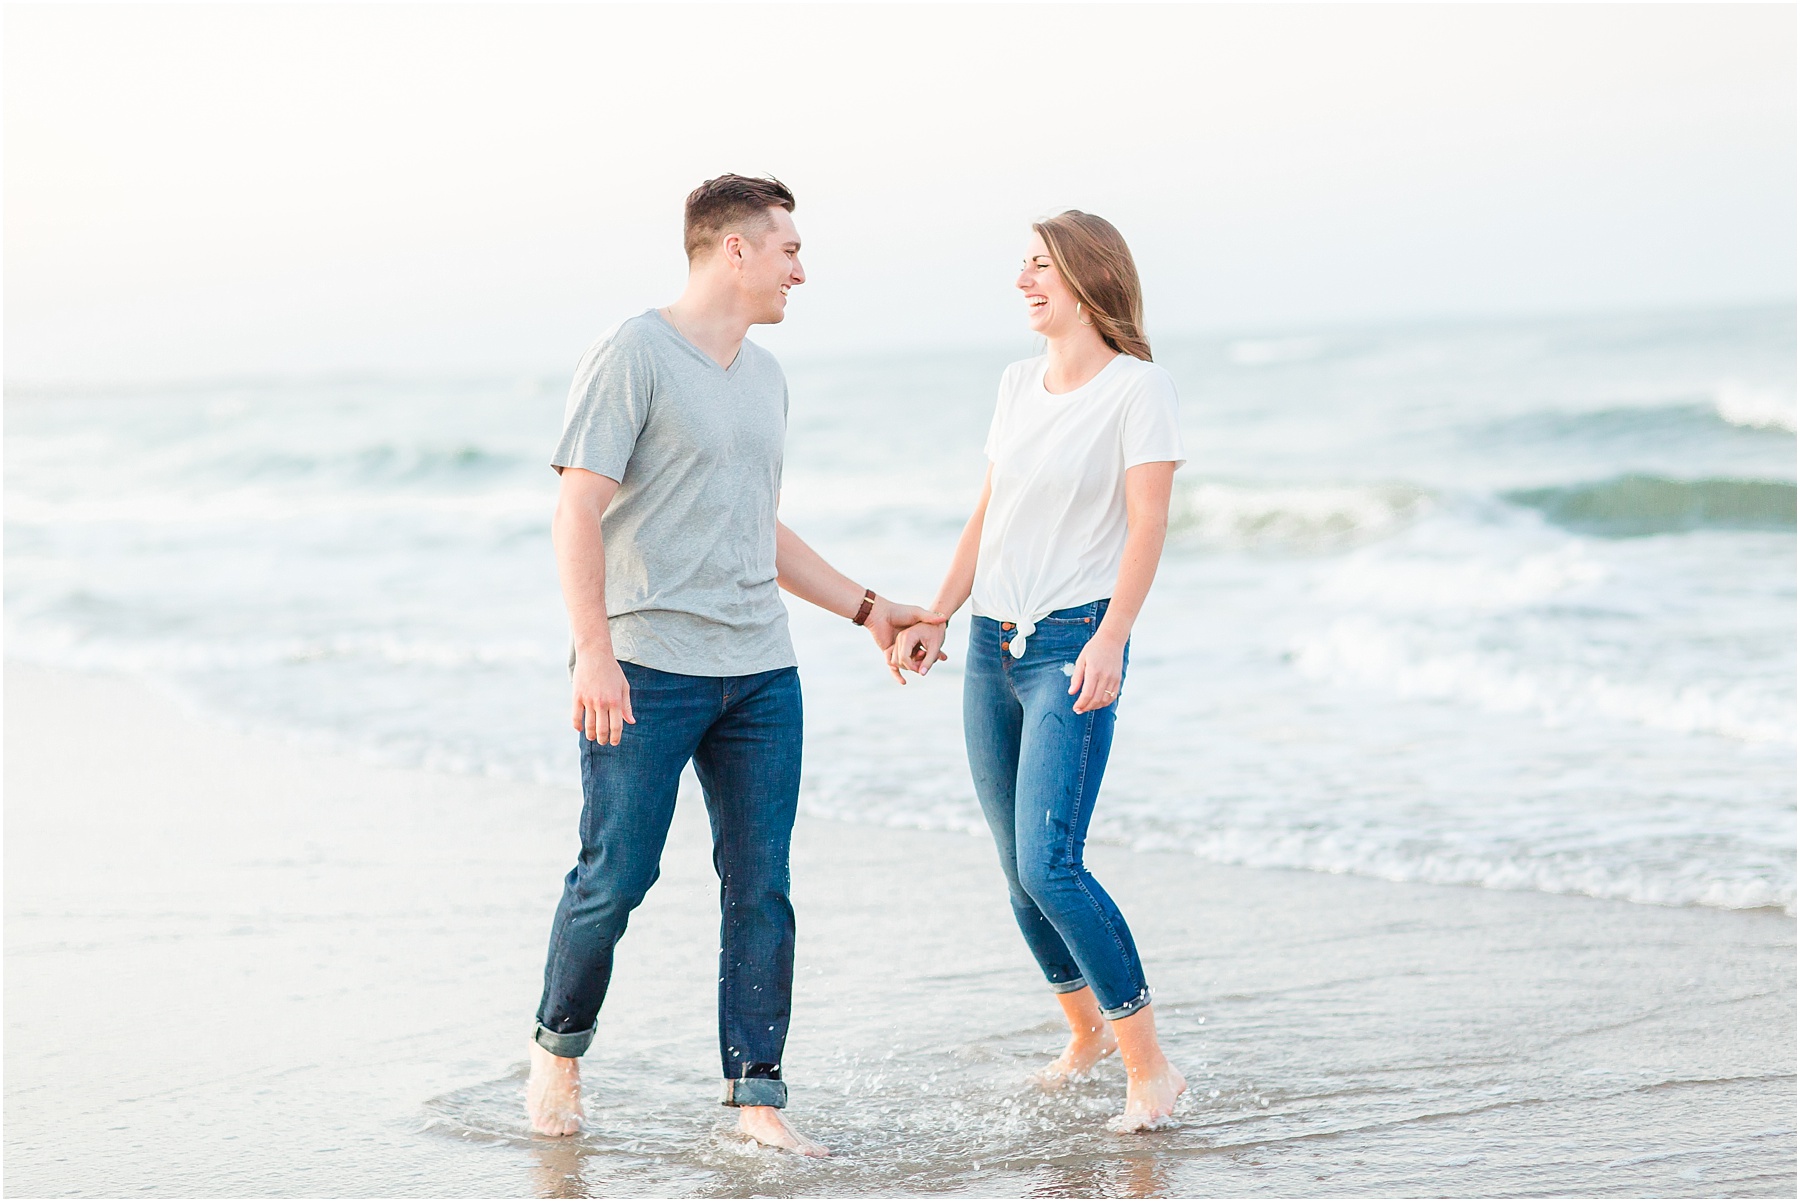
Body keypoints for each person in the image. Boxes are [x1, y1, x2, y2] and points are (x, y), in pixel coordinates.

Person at [526, 174, 944, 1154]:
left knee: (760, 880)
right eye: (789, 247)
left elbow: (758, 526)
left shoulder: (765, 376)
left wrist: (871, 610)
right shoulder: (634, 353)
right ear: (736, 251)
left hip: (760, 670)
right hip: (646, 664)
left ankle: (758, 1097)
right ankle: (558, 1048)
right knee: (616, 874)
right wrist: (594, 649)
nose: (803, 267)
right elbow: (576, 505)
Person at [891, 211, 1188, 1132]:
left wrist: (1114, 636)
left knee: (1052, 864)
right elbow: (992, 509)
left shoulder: (1139, 390)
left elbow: (1147, 525)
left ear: (1087, 278)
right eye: (1023, 266)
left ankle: (1153, 1071)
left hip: (1076, 640)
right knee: (1017, 874)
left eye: (1040, 267)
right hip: (992, 644)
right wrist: (937, 614)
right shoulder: (1018, 384)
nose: (1024, 281)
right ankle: (1085, 1034)